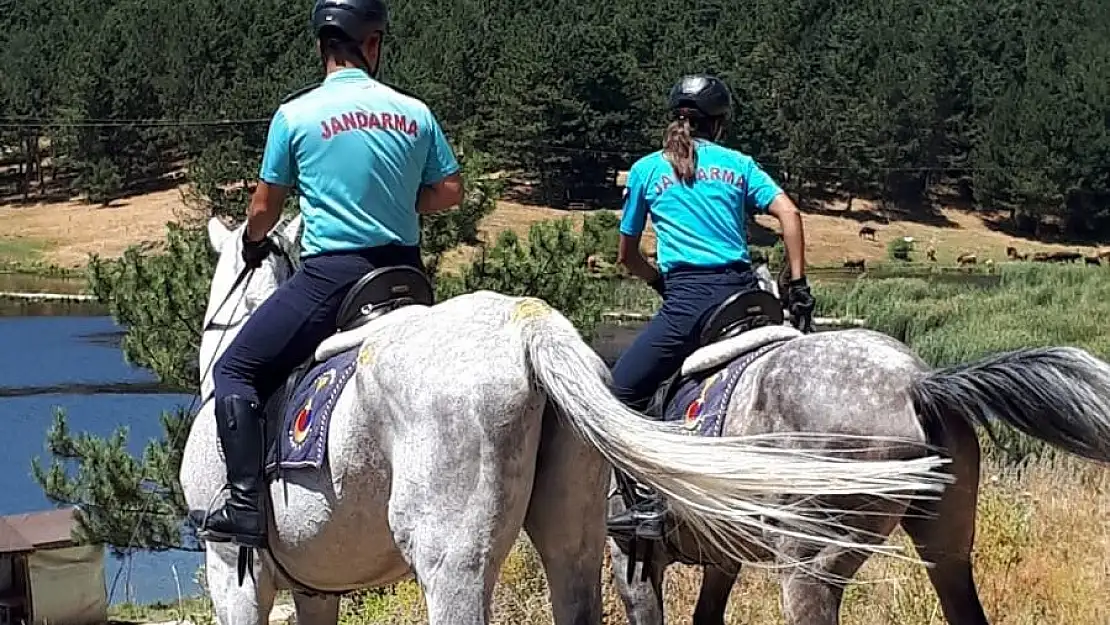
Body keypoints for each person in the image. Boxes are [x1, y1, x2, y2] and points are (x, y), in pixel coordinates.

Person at [199, 0, 464, 548]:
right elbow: (450, 192)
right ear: (372, 46)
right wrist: (399, 202)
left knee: (236, 369)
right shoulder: (414, 112)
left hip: (333, 278)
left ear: (323, 47)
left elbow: (265, 209)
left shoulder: (295, 115)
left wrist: (252, 243)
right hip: (406, 276)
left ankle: (247, 506)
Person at [606, 74, 815, 541]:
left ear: (674, 119)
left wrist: (657, 279)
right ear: (718, 126)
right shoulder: (739, 165)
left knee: (619, 394)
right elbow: (790, 215)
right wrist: (797, 283)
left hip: (689, 301)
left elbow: (626, 256)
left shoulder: (646, 171)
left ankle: (644, 503)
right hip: (748, 296)